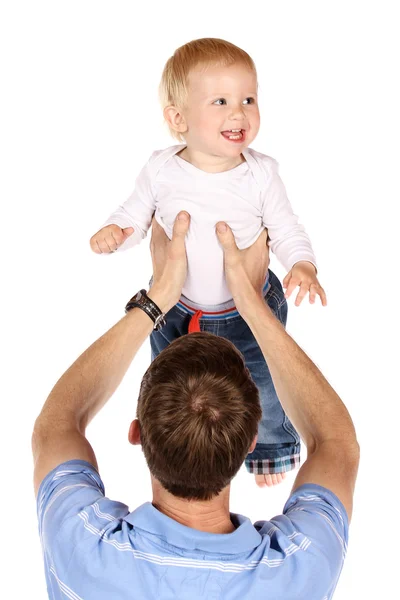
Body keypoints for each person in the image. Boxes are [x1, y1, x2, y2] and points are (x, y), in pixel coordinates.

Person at [33, 212, 359, 599]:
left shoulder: (81, 548)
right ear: (252, 441)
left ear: (136, 433)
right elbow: (336, 443)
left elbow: (57, 425)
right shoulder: (299, 570)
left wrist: (158, 299)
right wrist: (253, 304)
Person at [89, 38, 327, 487]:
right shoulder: (160, 169)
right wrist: (117, 234)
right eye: (220, 101)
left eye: (248, 99)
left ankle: (272, 446)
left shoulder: (260, 174)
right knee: (167, 375)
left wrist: (303, 264)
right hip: (173, 308)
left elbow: (287, 229)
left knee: (263, 380)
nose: (239, 113)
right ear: (178, 119)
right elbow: (135, 216)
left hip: (247, 308)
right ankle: (162, 437)